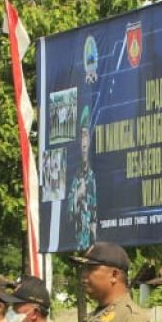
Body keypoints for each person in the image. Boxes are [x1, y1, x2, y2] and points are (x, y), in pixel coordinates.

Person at [67, 106, 97, 249]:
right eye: (82, 136)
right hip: (79, 245)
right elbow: (68, 215)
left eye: (87, 136)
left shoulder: (97, 176)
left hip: (98, 249)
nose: (84, 144)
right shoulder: (76, 178)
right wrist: (77, 196)